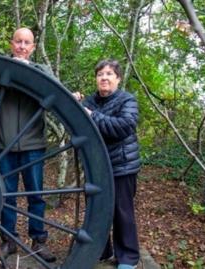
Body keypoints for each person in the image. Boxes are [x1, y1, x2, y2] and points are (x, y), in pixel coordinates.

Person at [0, 28, 56, 262]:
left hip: (33, 144)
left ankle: (38, 241)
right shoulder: (3, 68)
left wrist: (31, 71)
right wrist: (3, 70)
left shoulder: (41, 71)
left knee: (36, 195)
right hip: (5, 145)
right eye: (18, 42)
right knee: (7, 195)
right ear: (12, 45)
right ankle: (8, 240)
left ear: (33, 47)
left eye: (26, 43)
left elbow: (55, 94)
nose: (22, 46)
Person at [74, 59, 141, 269]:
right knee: (97, 211)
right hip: (96, 168)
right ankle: (101, 251)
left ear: (118, 79)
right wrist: (74, 103)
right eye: (100, 74)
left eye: (109, 74)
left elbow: (124, 126)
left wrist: (92, 116)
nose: (104, 78)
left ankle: (128, 258)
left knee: (122, 212)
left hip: (122, 165)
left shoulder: (127, 100)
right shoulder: (89, 102)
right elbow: (77, 126)